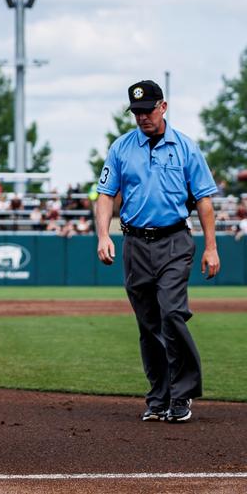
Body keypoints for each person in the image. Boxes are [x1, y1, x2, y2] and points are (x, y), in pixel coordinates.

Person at [94, 79, 220, 424]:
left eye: (148, 110)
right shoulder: (121, 148)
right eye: (136, 112)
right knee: (149, 323)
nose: (142, 117)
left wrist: (211, 247)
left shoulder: (186, 148)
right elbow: (106, 194)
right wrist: (103, 235)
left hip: (175, 241)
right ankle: (159, 397)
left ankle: (182, 394)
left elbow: (205, 201)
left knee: (171, 314)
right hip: (134, 243)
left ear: (163, 107)